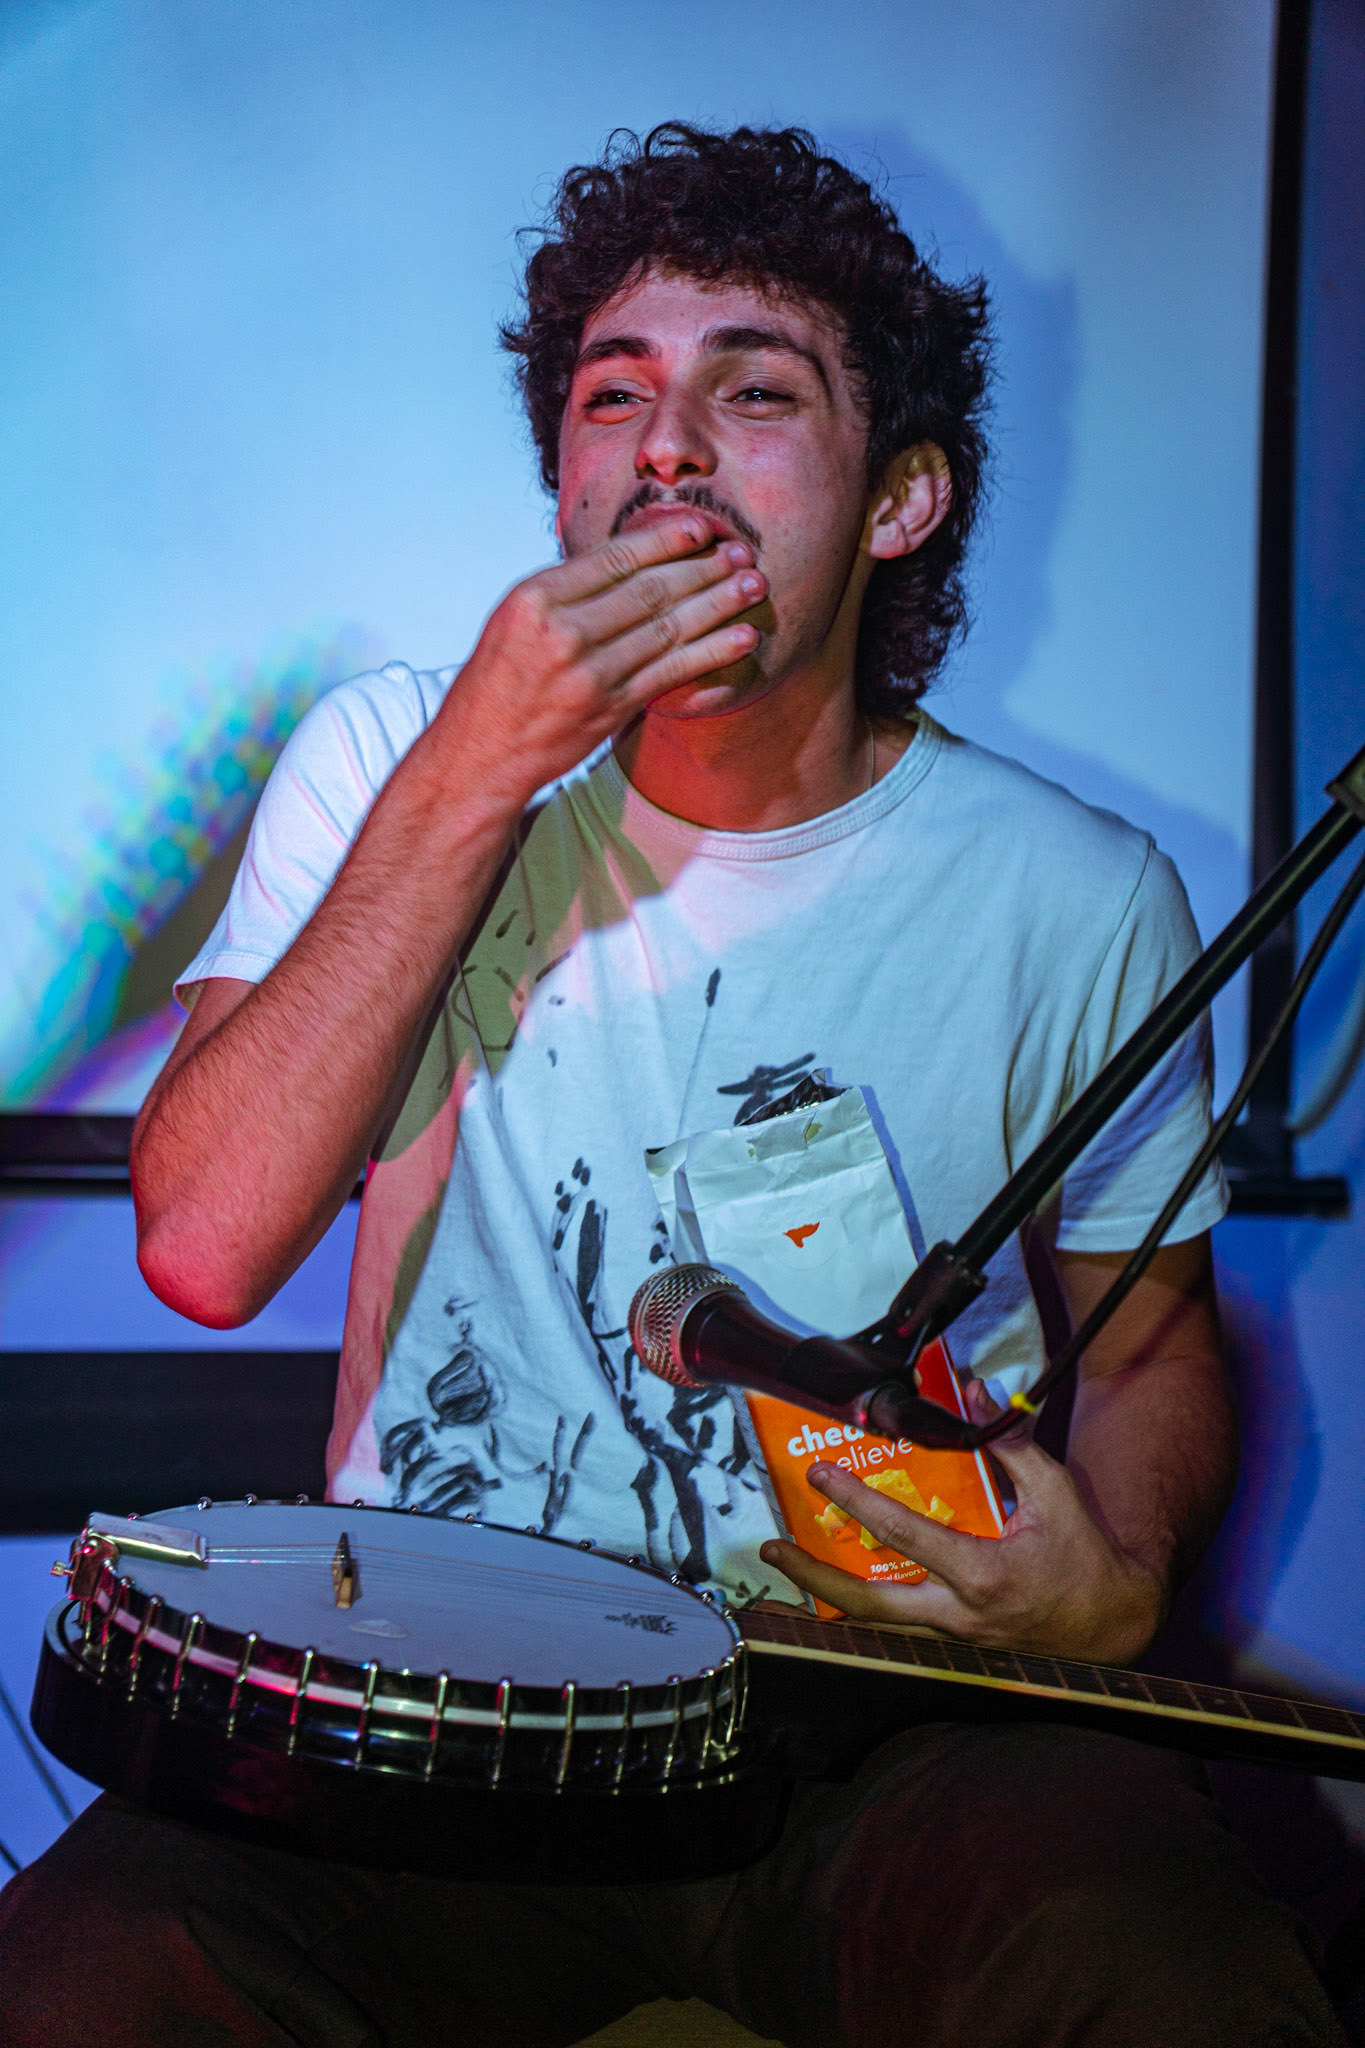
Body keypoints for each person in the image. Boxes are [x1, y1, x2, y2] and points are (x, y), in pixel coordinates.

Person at [0, 124, 1344, 2047]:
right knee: (84, 1980)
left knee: (1173, 1980)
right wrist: (482, 762)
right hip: (439, 1702)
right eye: (612, 395)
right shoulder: (395, 756)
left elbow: (1145, 1349)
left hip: (887, 1728)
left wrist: (1116, 1583)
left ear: (900, 498)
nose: (668, 450)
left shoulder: (1080, 892)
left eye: (755, 392)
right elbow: (204, 1246)